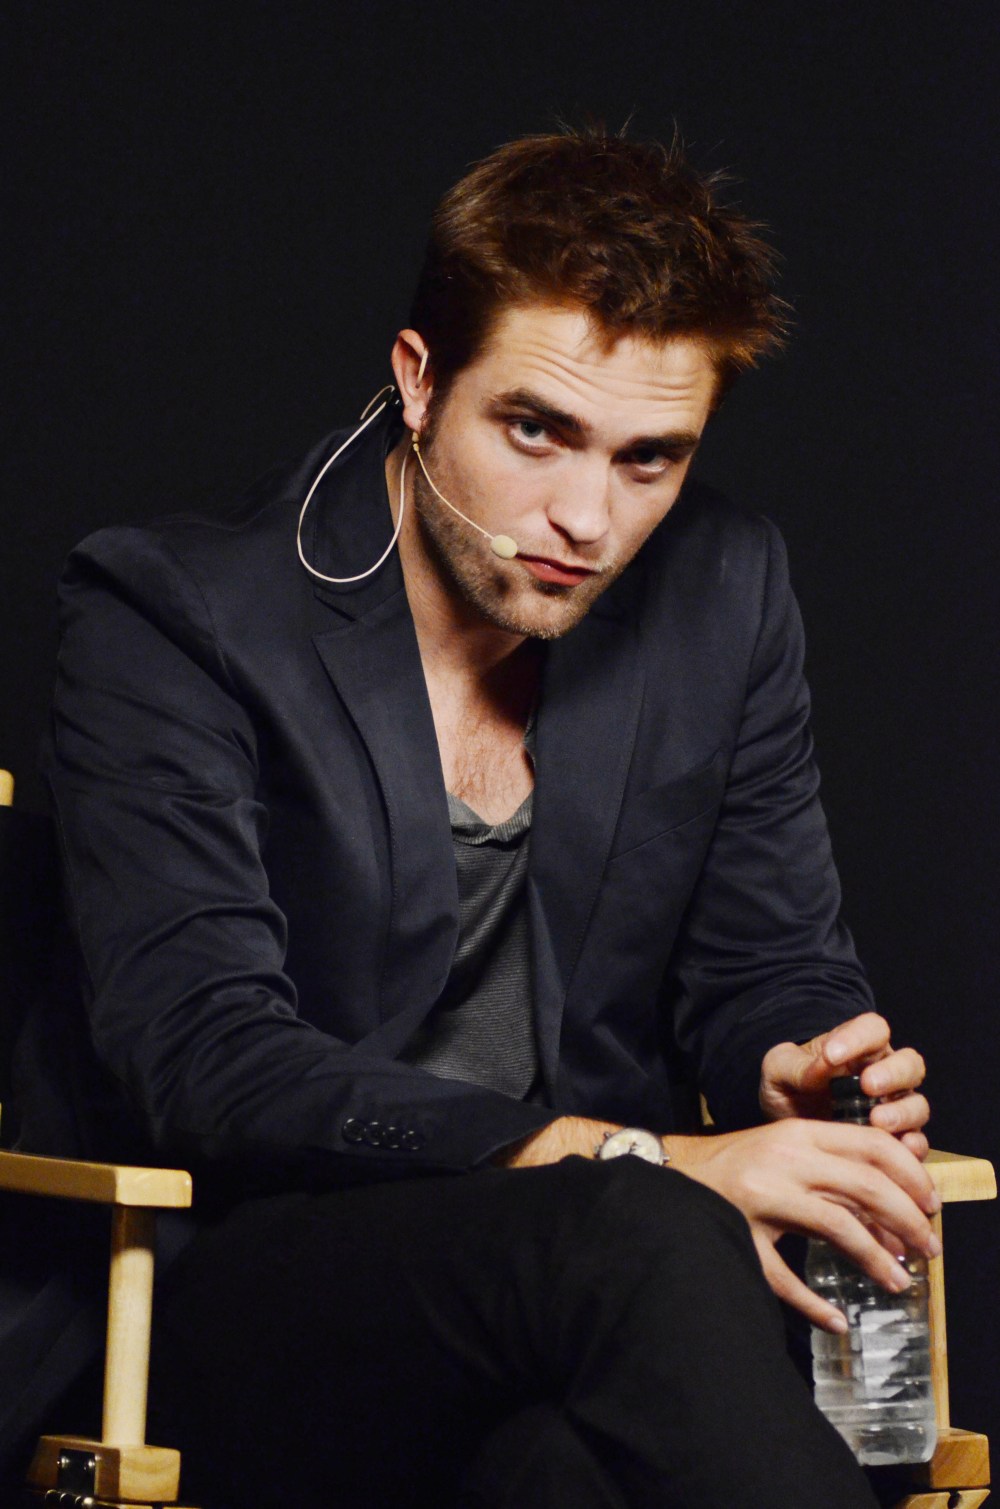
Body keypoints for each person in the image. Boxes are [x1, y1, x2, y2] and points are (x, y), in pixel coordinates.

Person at [30, 128, 934, 1507]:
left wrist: (793, 1057)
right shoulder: (173, 617)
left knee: (563, 1473)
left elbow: (771, 959)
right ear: (418, 380)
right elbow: (206, 1056)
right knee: (635, 1229)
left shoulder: (724, 592)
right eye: (536, 430)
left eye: (650, 458)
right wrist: (637, 1158)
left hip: (598, 1311)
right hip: (251, 1288)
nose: (587, 517)